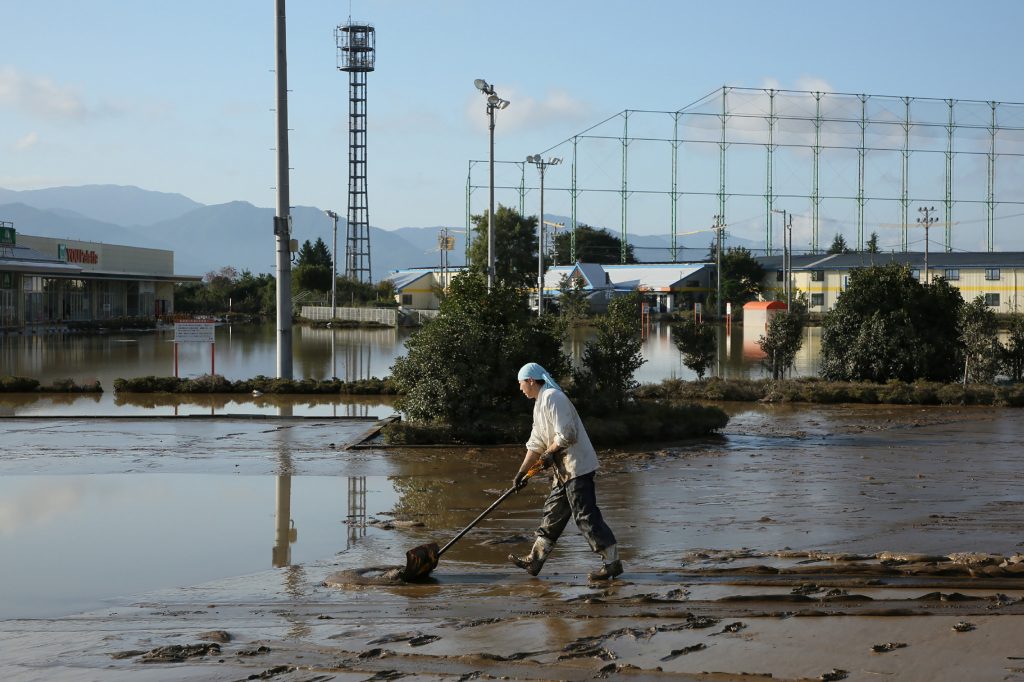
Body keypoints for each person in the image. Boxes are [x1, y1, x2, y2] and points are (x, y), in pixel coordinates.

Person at [509, 362, 623, 581]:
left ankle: (612, 562)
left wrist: (551, 452)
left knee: (585, 515)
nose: (520, 388)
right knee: (552, 513)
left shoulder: (553, 397)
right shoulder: (539, 405)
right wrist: (522, 473)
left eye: (520, 383)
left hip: (577, 467)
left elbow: (567, 434)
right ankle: (535, 560)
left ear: (531, 381)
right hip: (563, 472)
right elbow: (536, 444)